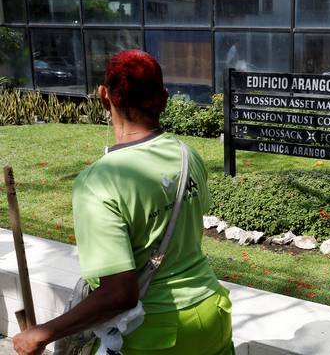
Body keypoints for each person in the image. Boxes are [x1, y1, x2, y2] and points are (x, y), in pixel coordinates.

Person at [12, 50, 234, 355]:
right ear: (164, 98)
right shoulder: (186, 155)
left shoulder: (98, 182)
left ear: (104, 97)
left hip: (156, 335)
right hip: (212, 314)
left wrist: (42, 334)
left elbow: (120, 294)